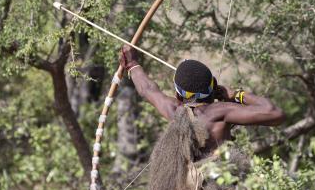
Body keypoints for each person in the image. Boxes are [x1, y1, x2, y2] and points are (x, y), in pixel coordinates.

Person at [119, 45, 286, 154]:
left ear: (178, 95)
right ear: (213, 87)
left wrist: (132, 64)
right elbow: (275, 113)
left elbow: (147, 89)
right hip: (220, 188)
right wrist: (236, 95)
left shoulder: (175, 111)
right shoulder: (220, 111)